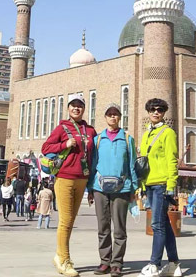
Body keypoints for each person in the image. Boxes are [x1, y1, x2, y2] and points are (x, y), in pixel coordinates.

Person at [42, 93, 97, 277]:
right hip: (64, 177)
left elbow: (92, 158)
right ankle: (64, 260)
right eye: (73, 105)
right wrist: (65, 144)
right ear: (68, 108)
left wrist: (91, 186)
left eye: (79, 105)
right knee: (65, 221)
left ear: (84, 108)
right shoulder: (62, 127)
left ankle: (59, 256)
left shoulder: (90, 130)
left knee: (70, 222)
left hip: (82, 179)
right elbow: (46, 148)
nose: (76, 108)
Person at [87, 103, 138, 277]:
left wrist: (134, 188)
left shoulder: (128, 138)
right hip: (100, 187)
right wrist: (90, 188)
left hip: (122, 188)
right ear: (105, 117)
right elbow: (93, 164)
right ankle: (104, 261)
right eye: (110, 114)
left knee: (119, 229)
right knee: (103, 226)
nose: (113, 117)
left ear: (120, 117)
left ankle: (117, 263)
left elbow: (131, 165)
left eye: (116, 114)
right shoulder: (98, 139)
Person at [139, 98, 181, 277]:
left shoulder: (168, 132)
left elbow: (172, 160)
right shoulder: (146, 132)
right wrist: (141, 184)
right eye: (152, 109)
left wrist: (171, 185)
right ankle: (173, 264)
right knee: (164, 224)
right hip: (149, 183)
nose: (156, 112)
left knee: (157, 225)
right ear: (148, 112)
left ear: (164, 112)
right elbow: (143, 161)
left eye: (160, 110)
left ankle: (154, 264)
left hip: (161, 184)